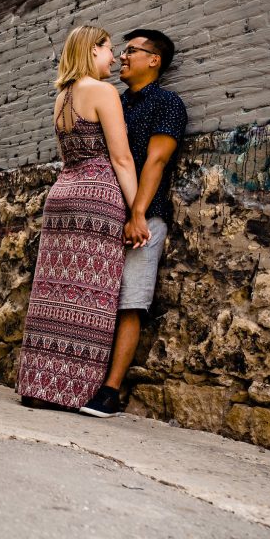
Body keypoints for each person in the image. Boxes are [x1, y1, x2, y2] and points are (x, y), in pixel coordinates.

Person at [16, 25, 144, 410]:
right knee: (90, 297)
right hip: (96, 200)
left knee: (53, 293)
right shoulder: (103, 92)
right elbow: (121, 158)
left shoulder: (62, 98)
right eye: (108, 50)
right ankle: (73, 391)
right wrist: (137, 211)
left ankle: (39, 386)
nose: (113, 58)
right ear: (92, 51)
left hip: (61, 197)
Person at [79, 29, 187, 418]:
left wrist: (138, 213)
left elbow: (155, 162)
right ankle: (79, 378)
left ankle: (110, 392)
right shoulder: (113, 102)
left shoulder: (168, 104)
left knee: (130, 302)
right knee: (92, 296)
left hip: (144, 215)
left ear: (154, 59)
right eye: (121, 52)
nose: (123, 57)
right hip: (104, 212)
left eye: (132, 52)